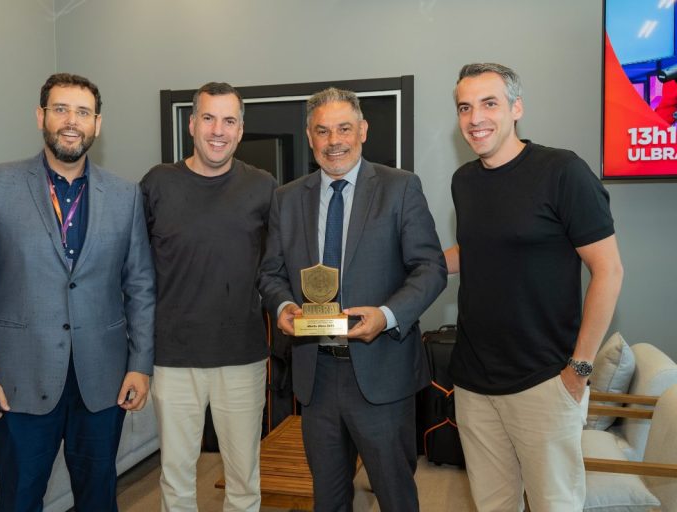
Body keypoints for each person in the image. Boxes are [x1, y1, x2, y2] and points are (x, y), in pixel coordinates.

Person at [0, 73, 155, 512]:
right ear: (40, 116)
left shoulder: (125, 195)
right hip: (18, 381)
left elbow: (139, 286)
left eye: (83, 112)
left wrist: (140, 365)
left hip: (102, 383)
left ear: (97, 124)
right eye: (60, 109)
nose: (71, 121)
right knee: (20, 499)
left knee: (99, 499)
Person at [446, 63, 624, 512]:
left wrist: (579, 369)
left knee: (554, 504)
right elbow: (477, 249)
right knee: (493, 505)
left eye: (489, 104)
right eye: (465, 107)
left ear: (516, 108)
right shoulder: (464, 181)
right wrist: (405, 265)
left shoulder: (562, 171)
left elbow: (609, 271)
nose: (475, 118)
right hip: (474, 383)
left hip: (545, 380)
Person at [259, 87, 447, 511]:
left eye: (344, 128)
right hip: (317, 374)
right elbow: (270, 273)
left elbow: (430, 268)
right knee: (327, 499)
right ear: (309, 136)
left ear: (363, 130)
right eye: (322, 131)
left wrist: (386, 315)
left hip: (381, 371)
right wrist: (284, 306)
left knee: (395, 496)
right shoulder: (287, 198)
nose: (334, 141)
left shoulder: (400, 187)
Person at [140, 82, 277, 512]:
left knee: (243, 479)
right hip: (173, 358)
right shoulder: (157, 183)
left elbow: (277, 266)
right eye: (209, 118)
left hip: (242, 356)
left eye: (229, 120)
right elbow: (135, 271)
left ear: (240, 130)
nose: (218, 130)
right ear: (191, 124)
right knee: (176, 477)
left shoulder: (263, 186)